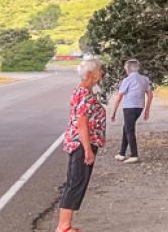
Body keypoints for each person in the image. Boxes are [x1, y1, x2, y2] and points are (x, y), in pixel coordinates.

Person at [55, 58, 106, 232]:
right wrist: (87, 149)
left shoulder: (83, 91)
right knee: (76, 182)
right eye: (100, 69)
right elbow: (82, 122)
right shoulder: (84, 94)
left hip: (79, 141)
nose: (102, 72)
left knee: (74, 182)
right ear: (92, 74)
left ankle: (65, 225)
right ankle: (64, 226)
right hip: (82, 142)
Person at [110, 58, 153, 163]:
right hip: (140, 108)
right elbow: (150, 94)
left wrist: (113, 112)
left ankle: (134, 155)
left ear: (128, 68)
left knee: (129, 130)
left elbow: (119, 96)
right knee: (126, 128)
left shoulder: (127, 80)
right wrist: (147, 110)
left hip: (129, 107)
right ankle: (122, 153)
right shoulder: (145, 79)